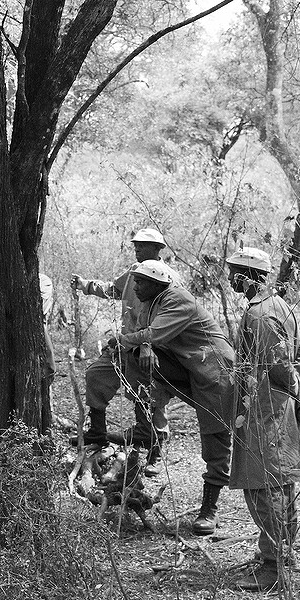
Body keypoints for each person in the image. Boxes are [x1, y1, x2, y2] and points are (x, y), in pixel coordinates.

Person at [111, 259, 238, 536]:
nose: (135, 287)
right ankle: (147, 426)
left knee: (215, 433)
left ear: (157, 284)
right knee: (132, 355)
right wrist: (141, 346)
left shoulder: (177, 299)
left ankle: (210, 509)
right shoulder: (149, 303)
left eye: (141, 282)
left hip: (214, 369)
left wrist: (127, 341)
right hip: (187, 367)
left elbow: (153, 333)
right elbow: (145, 338)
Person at [227, 247, 300, 593]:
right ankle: (279, 556)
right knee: (277, 485)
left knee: (265, 487)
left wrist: (292, 397)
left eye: (235, 272)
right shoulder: (280, 306)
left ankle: (273, 566)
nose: (231, 278)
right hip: (274, 408)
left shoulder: (262, 316)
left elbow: (281, 365)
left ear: (250, 276)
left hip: (267, 412)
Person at [71, 228, 172, 473]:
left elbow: (166, 319)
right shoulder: (133, 273)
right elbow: (114, 290)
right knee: (97, 374)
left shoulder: (169, 278)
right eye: (135, 245)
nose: (137, 249)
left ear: (157, 249)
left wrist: (148, 346)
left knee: (147, 396)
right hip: (125, 344)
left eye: (143, 245)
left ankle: (152, 452)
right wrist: (86, 286)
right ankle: (97, 431)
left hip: (151, 349)